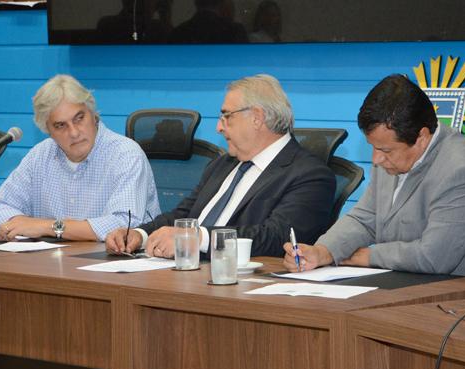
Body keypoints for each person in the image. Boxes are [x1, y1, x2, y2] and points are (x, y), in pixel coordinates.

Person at [282, 74, 465, 277]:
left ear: (421, 138)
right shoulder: (391, 157)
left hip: (460, 295)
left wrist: (368, 256)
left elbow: (435, 257)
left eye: (385, 150)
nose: (376, 159)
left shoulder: (461, 170)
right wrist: (323, 251)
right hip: (400, 284)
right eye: (373, 147)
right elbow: (365, 218)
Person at [105, 74, 334, 258]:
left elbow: (275, 238)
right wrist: (140, 234)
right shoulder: (223, 164)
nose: (219, 127)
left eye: (226, 116)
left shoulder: (310, 175)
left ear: (257, 117)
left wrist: (196, 239)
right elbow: (183, 214)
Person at [0, 74, 159, 242]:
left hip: (116, 261)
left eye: (79, 118)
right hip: (51, 260)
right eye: (60, 125)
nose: (74, 132)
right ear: (47, 131)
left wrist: (47, 227)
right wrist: (19, 223)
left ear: (93, 113)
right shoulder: (39, 156)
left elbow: (125, 225)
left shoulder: (125, 154)